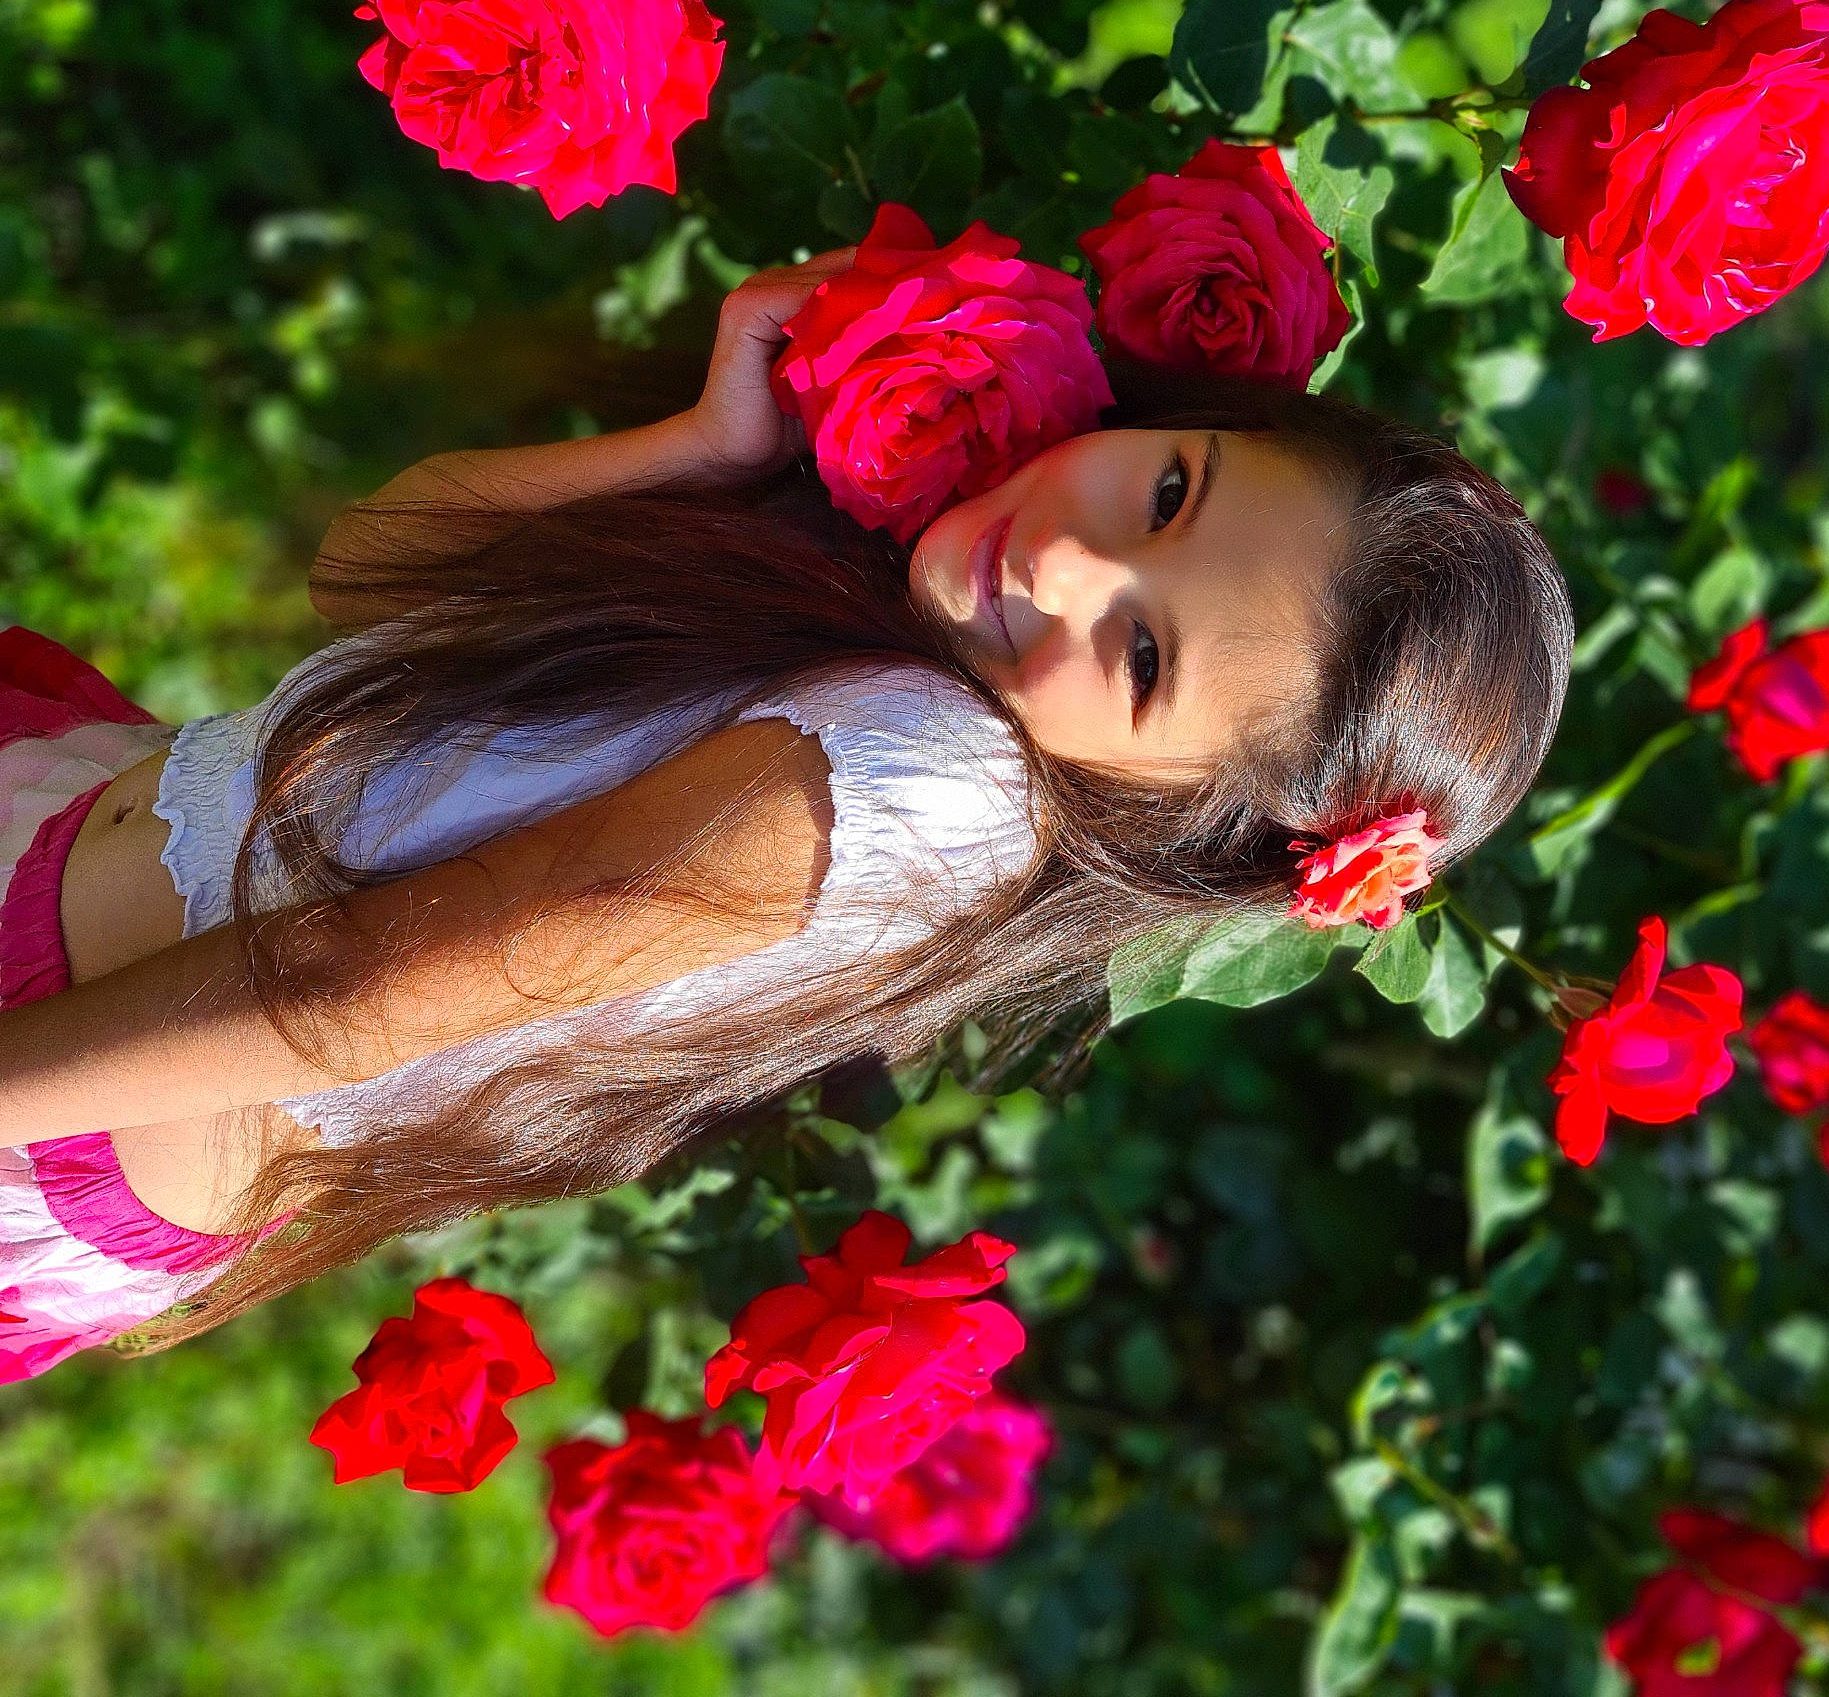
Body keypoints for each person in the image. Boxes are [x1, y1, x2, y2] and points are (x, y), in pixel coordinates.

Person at [0, 247, 1572, 1378]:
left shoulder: (926, 791)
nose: (1077, 565)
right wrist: (703, 452)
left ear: (1176, 820)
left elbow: (353, 995)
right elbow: (376, 566)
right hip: (72, 851)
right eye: (1168, 491)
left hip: (55, 1080)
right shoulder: (866, 613)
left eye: (1145, 658)